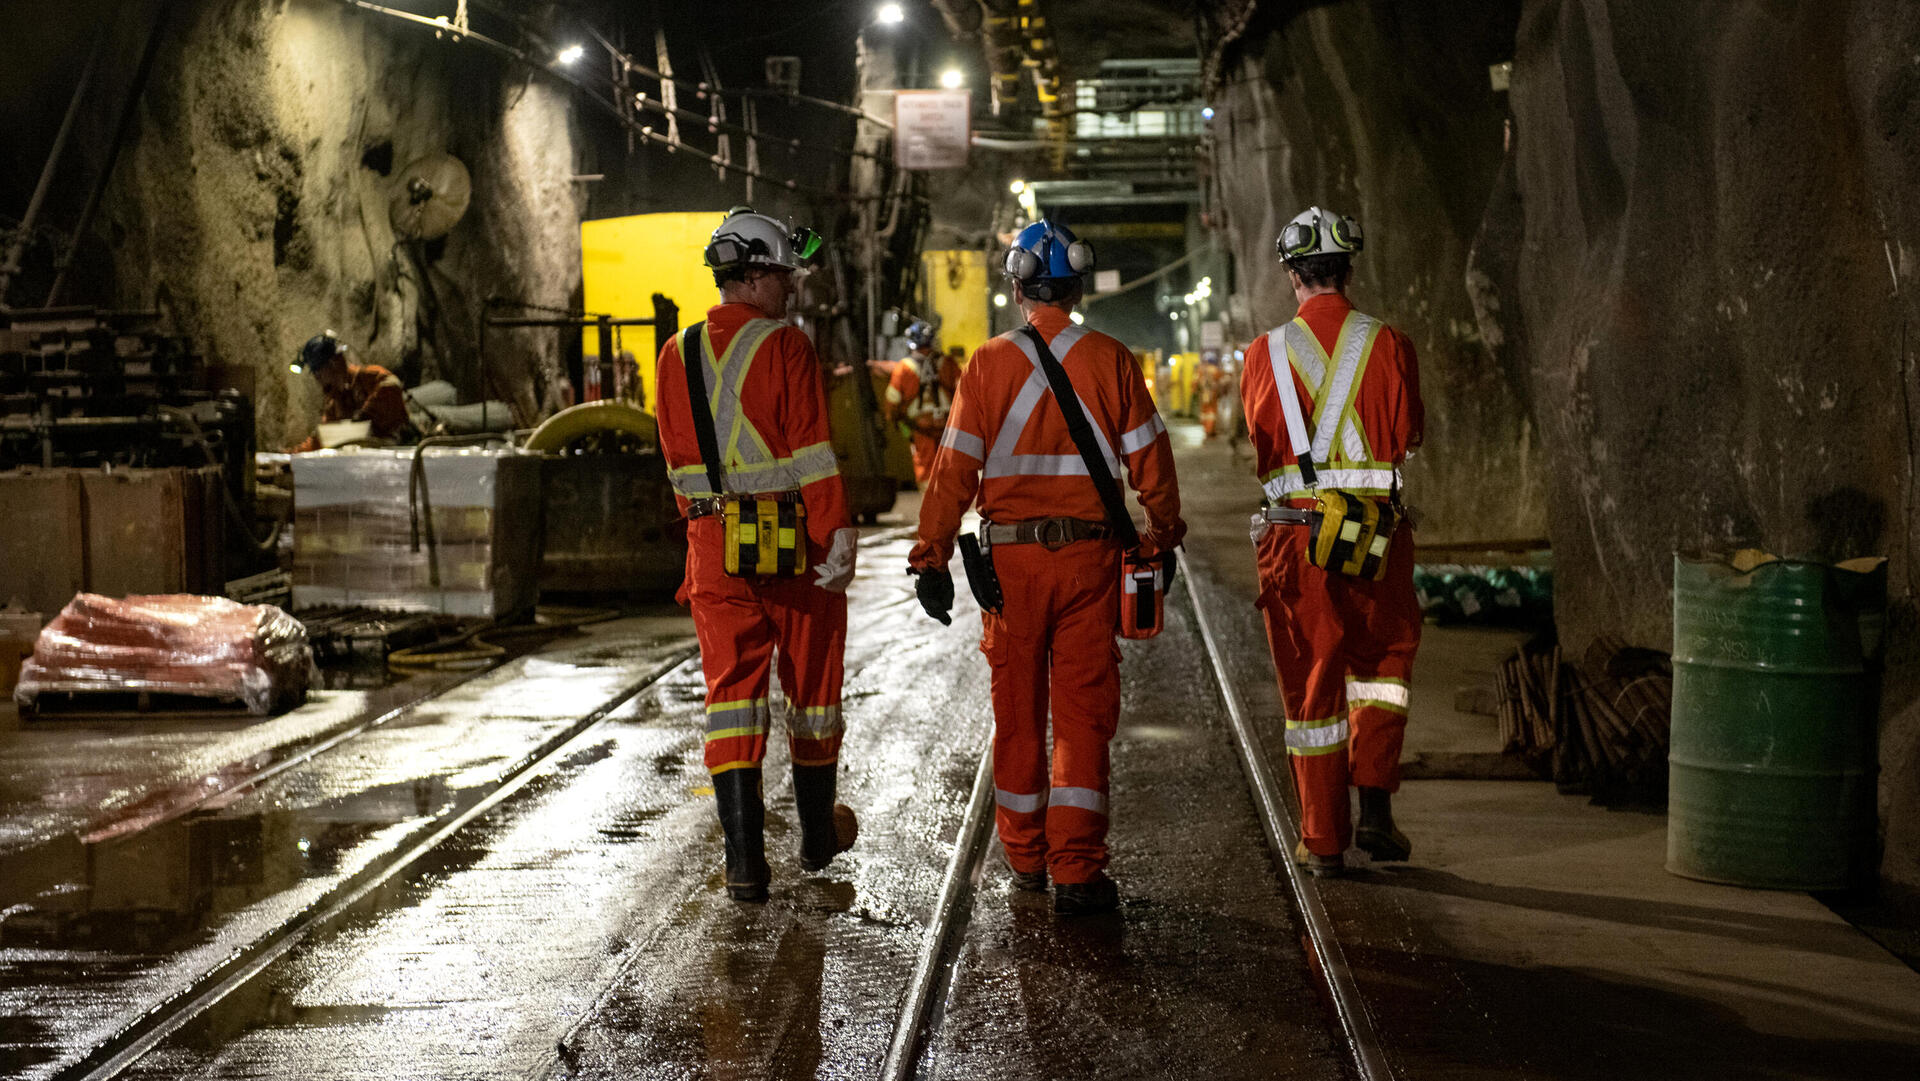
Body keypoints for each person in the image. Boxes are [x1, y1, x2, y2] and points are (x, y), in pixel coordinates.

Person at [908, 220, 1185, 916]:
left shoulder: (987, 364)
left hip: (1010, 566)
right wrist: (1160, 539)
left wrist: (932, 554)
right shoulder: (1112, 359)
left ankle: (1026, 856)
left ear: (1017, 285)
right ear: (1078, 285)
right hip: (1091, 561)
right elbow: (1153, 465)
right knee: (1085, 714)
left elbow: (951, 472)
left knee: (1018, 709)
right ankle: (1078, 871)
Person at [654, 207, 861, 902]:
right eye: (782, 275)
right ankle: (813, 835)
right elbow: (812, 454)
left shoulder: (673, 353)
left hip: (715, 545)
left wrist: (707, 527)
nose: (791, 288)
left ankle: (744, 864)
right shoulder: (786, 347)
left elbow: (676, 459)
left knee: (731, 699)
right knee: (813, 690)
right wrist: (836, 534)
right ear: (751, 275)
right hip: (792, 543)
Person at [1241, 206, 1424, 878]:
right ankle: (1375, 802)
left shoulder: (1264, 352)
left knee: (1312, 685)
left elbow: (1261, 443)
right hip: (1375, 531)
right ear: (1349, 269)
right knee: (1382, 668)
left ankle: (1323, 840)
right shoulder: (1392, 343)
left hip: (1297, 538)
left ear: (1292, 274)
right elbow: (1409, 433)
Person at [288, 331, 410, 451]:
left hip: (396, 450)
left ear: (334, 362)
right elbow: (323, 437)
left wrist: (363, 418)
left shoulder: (370, 377)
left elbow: (392, 385)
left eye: (318, 370)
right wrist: (291, 456)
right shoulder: (335, 400)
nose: (317, 377)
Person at [882, 320, 962, 485]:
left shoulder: (903, 369)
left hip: (920, 428)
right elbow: (965, 394)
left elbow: (891, 404)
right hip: (948, 427)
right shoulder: (948, 363)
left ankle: (930, 504)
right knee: (950, 469)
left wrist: (899, 425)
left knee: (926, 472)